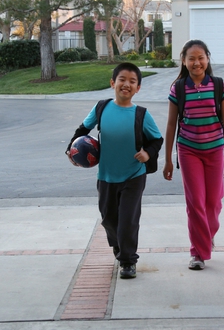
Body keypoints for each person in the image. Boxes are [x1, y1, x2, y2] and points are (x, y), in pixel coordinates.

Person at [67, 62, 163, 279]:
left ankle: (128, 261)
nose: (126, 84)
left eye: (132, 81)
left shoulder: (141, 114)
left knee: (128, 219)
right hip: (107, 176)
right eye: (122, 79)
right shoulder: (101, 108)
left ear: (138, 88)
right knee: (109, 219)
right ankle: (120, 248)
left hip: (133, 175)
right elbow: (82, 130)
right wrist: (70, 150)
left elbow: (157, 139)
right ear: (113, 83)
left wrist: (147, 153)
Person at [163, 40, 224, 270]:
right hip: (188, 151)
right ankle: (198, 253)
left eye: (201, 57)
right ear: (184, 61)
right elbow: (171, 124)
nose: (197, 62)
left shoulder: (218, 85)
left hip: (215, 151)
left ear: (207, 58)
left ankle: (206, 235)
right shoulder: (179, 88)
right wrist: (167, 159)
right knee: (195, 203)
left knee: (213, 203)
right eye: (191, 58)